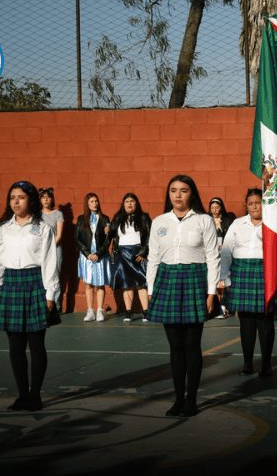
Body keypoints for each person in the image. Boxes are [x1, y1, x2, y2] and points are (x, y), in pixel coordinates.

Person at [147, 175, 219, 417]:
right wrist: (150, 291)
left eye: (183, 190)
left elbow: (212, 257)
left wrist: (211, 292)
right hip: (167, 281)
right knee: (175, 346)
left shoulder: (204, 220)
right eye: (173, 190)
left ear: (192, 193)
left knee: (191, 344)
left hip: (195, 280)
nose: (178, 195)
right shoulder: (159, 222)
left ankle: (192, 400)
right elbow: (153, 259)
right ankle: (178, 399)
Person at [0, 181, 58, 411]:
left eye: (20, 197)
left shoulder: (42, 228)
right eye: (12, 197)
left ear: (31, 200)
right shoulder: (2, 229)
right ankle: (22, 395)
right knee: (15, 345)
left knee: (36, 344)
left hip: (35, 284)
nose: (16, 202)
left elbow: (50, 262)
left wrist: (50, 293)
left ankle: (35, 395)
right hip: (11, 285)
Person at [220, 188, 275, 377]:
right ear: (246, 205)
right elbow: (226, 251)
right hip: (241, 275)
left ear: (264, 204)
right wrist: (226, 279)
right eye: (250, 203)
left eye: (258, 203)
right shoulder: (237, 224)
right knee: (246, 324)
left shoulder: (272, 224)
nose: (254, 207)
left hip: (264, 275)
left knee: (265, 324)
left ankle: (266, 364)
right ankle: (248, 364)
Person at [109, 192, 152, 323]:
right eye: (127, 202)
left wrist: (144, 252)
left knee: (141, 283)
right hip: (122, 253)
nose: (129, 204)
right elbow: (110, 235)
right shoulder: (117, 218)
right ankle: (128, 312)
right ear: (123, 204)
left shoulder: (144, 217)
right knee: (126, 284)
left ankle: (146, 311)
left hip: (138, 253)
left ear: (136, 203)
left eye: (132, 201)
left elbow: (150, 236)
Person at [76, 192, 111, 322]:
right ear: (87, 204)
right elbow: (77, 239)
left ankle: (100, 310)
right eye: (92, 201)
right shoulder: (81, 219)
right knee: (89, 284)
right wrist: (88, 254)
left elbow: (108, 240)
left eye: (96, 201)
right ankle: (90, 311)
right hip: (87, 257)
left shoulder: (105, 218)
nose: (95, 203)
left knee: (100, 284)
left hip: (100, 256)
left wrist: (98, 253)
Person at [209, 197, 234, 319]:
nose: (214, 210)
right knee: (214, 278)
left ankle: (225, 305)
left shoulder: (227, 221)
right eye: (212, 208)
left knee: (224, 278)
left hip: (224, 252)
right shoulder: (207, 220)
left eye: (217, 208)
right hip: (211, 252)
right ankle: (216, 305)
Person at [40, 188, 64, 310]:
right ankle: (43, 303)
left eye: (48, 197)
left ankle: (55, 304)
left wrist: (49, 247)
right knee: (42, 276)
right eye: (43, 197)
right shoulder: (37, 215)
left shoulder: (58, 214)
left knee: (55, 275)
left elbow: (59, 235)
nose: (46, 199)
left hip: (55, 249)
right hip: (40, 251)